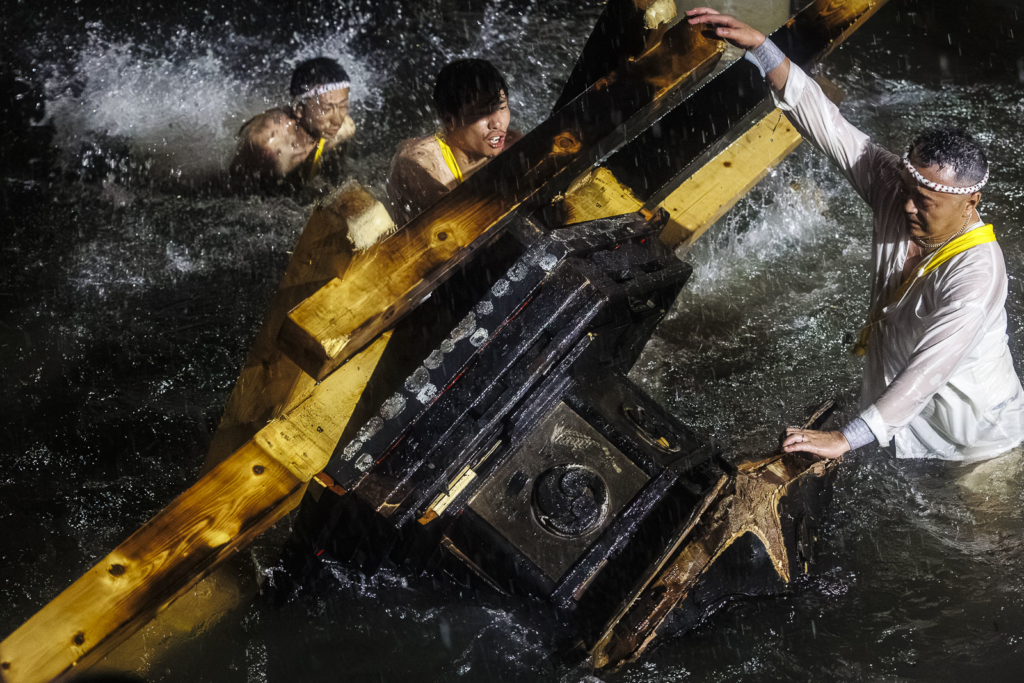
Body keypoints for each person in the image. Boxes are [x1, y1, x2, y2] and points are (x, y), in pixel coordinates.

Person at [686, 8, 1024, 462]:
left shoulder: (977, 276)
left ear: (970, 204)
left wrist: (845, 438)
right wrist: (763, 51)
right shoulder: (898, 192)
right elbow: (833, 129)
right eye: (906, 191)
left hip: (977, 436)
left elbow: (929, 371)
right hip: (898, 413)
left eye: (924, 202)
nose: (905, 206)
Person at [386, 58, 520, 227]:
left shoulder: (513, 145)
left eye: (501, 107)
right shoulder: (419, 165)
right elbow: (459, 227)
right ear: (450, 121)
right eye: (481, 113)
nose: (497, 124)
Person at [231, 57, 356, 183]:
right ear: (299, 110)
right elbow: (233, 187)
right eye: (326, 109)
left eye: (343, 106)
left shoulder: (344, 129)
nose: (337, 120)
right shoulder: (268, 144)